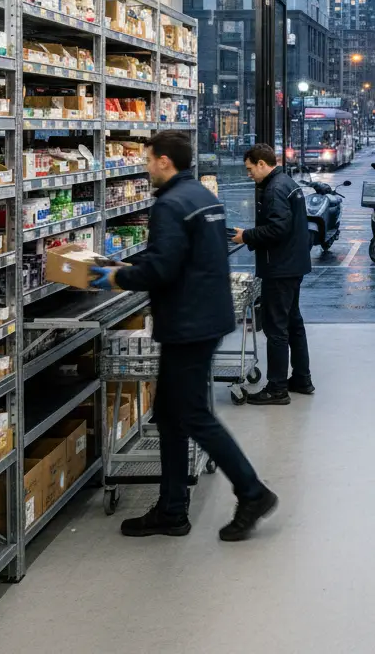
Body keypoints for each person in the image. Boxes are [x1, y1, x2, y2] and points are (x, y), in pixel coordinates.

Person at [90, 130, 278, 541]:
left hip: (187, 324)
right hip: (204, 317)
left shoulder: (170, 205)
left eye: (147, 159)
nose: (145, 166)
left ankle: (252, 492)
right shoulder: (202, 197)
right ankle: (172, 509)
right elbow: (186, 257)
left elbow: (161, 270)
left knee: (192, 416)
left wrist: (115, 276)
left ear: (163, 160)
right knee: (171, 416)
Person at [232, 143, 312, 406]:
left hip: (280, 267)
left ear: (262, 164)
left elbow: (277, 229)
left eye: (250, 169)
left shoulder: (275, 189)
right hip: (294, 264)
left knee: (276, 327)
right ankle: (301, 378)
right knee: (293, 322)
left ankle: (277, 388)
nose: (249, 174)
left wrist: (247, 236)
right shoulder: (288, 184)